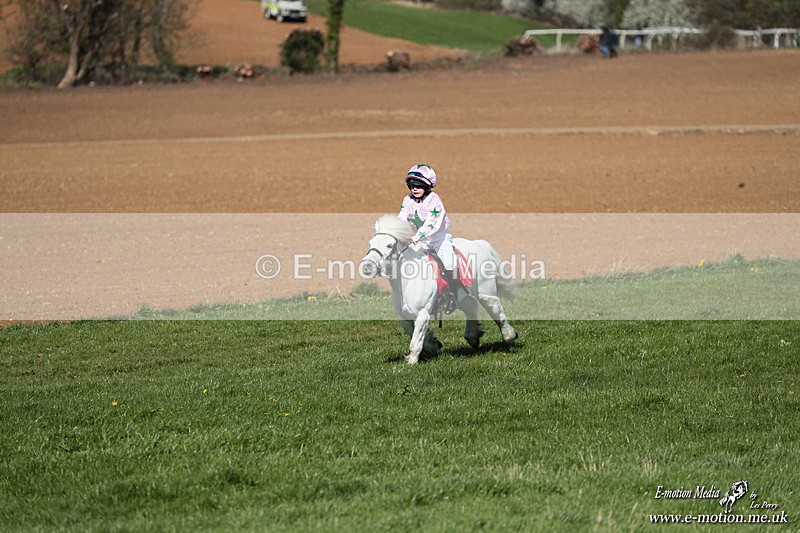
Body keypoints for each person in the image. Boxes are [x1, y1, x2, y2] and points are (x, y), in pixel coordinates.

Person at [398, 164, 464, 313]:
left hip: (439, 238)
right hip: (419, 239)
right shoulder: (407, 200)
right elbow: (402, 218)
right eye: (411, 185)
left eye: (419, 185)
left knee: (448, 262)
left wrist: (415, 237)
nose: (414, 188)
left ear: (428, 186)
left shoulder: (435, 201)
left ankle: (454, 296)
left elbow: (431, 224)